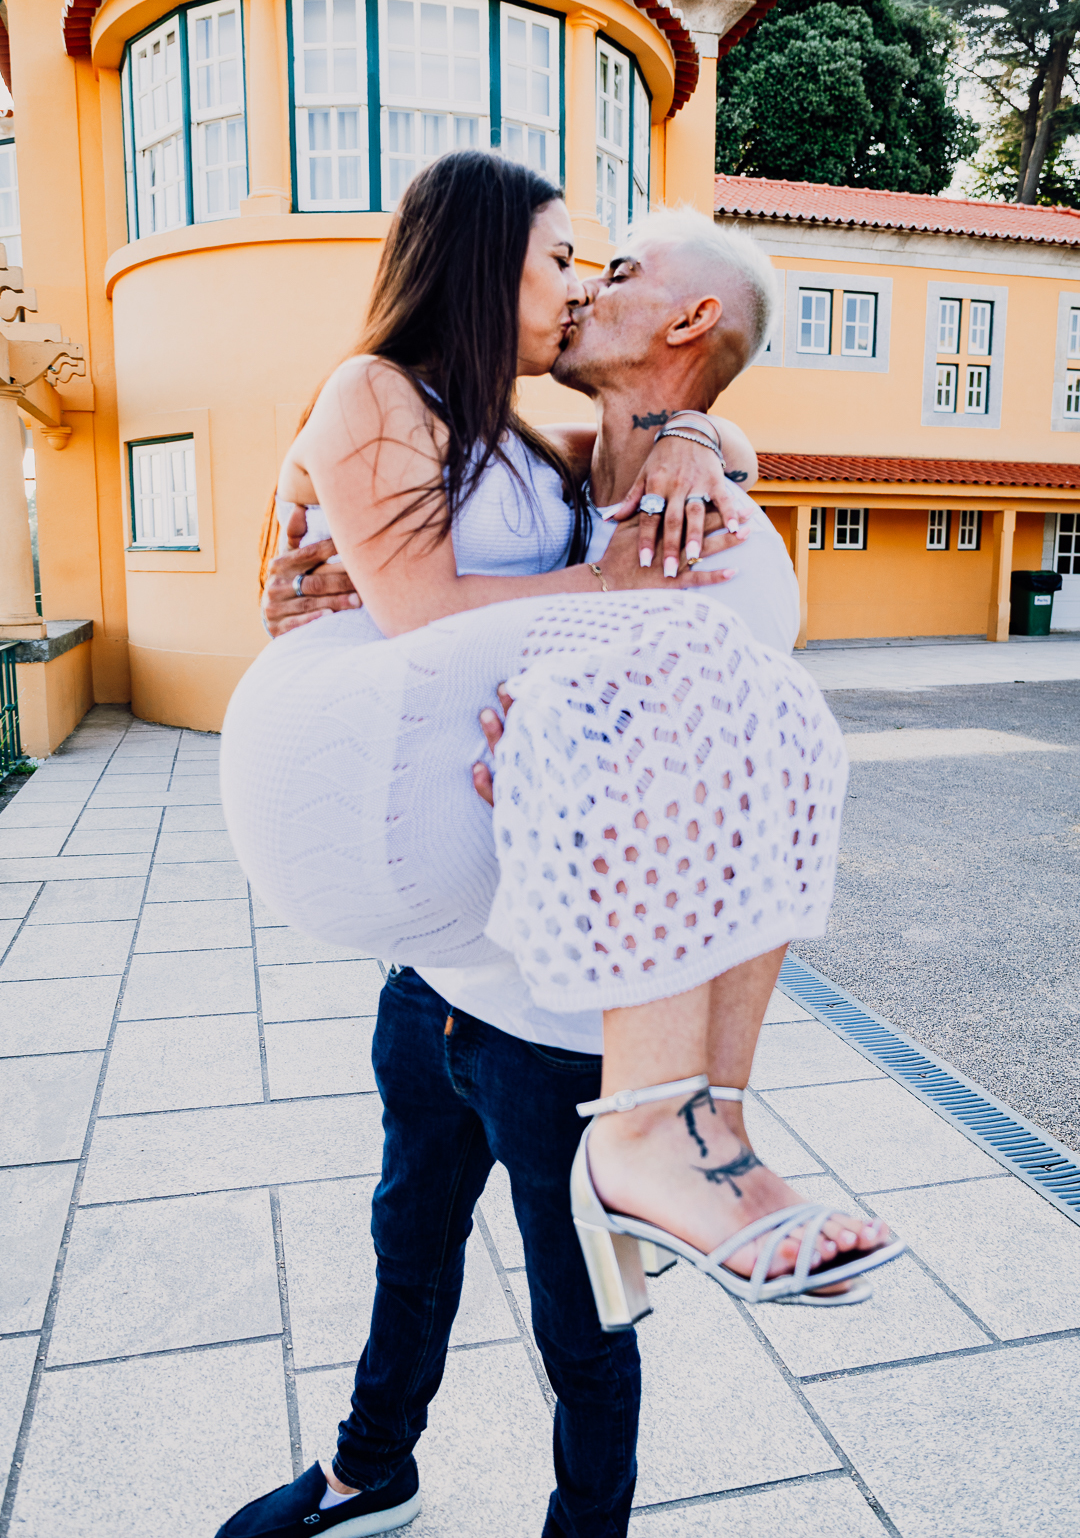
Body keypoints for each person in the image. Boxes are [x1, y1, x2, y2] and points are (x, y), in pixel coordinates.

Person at [216, 167, 898, 1538]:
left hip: (563, 1021)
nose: (583, 283)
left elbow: (670, 560)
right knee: (406, 1248)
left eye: (607, 265)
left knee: (589, 1318)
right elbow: (423, 591)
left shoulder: (624, 491)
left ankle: (590, 1522)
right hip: (439, 980)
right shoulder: (475, 426)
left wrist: (712, 447)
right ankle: (369, 1473)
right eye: (562, 259)